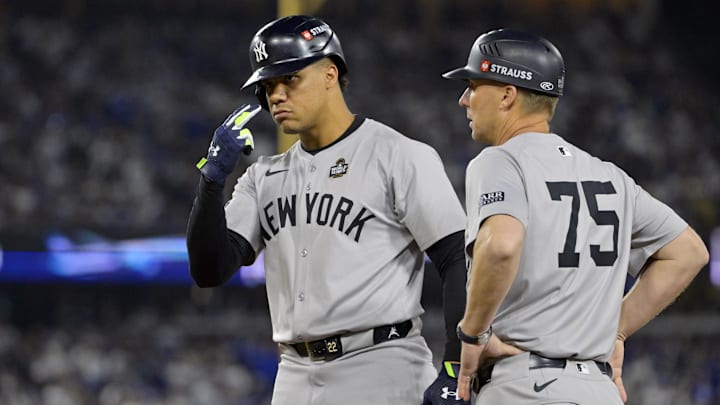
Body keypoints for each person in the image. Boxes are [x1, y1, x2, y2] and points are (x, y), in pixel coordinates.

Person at [187, 15, 471, 405]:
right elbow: (208, 270)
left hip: (381, 364)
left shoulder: (398, 154)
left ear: (330, 74)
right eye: (267, 86)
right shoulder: (263, 177)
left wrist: (456, 367)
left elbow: (458, 257)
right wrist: (212, 181)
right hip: (293, 374)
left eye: (290, 79)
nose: (276, 96)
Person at [441, 28, 709, 404]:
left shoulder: (501, 161)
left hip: (524, 387)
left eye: (473, 85)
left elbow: (501, 246)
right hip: (598, 390)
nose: (464, 99)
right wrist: (615, 332)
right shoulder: (610, 175)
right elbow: (688, 252)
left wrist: (472, 336)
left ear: (506, 95)